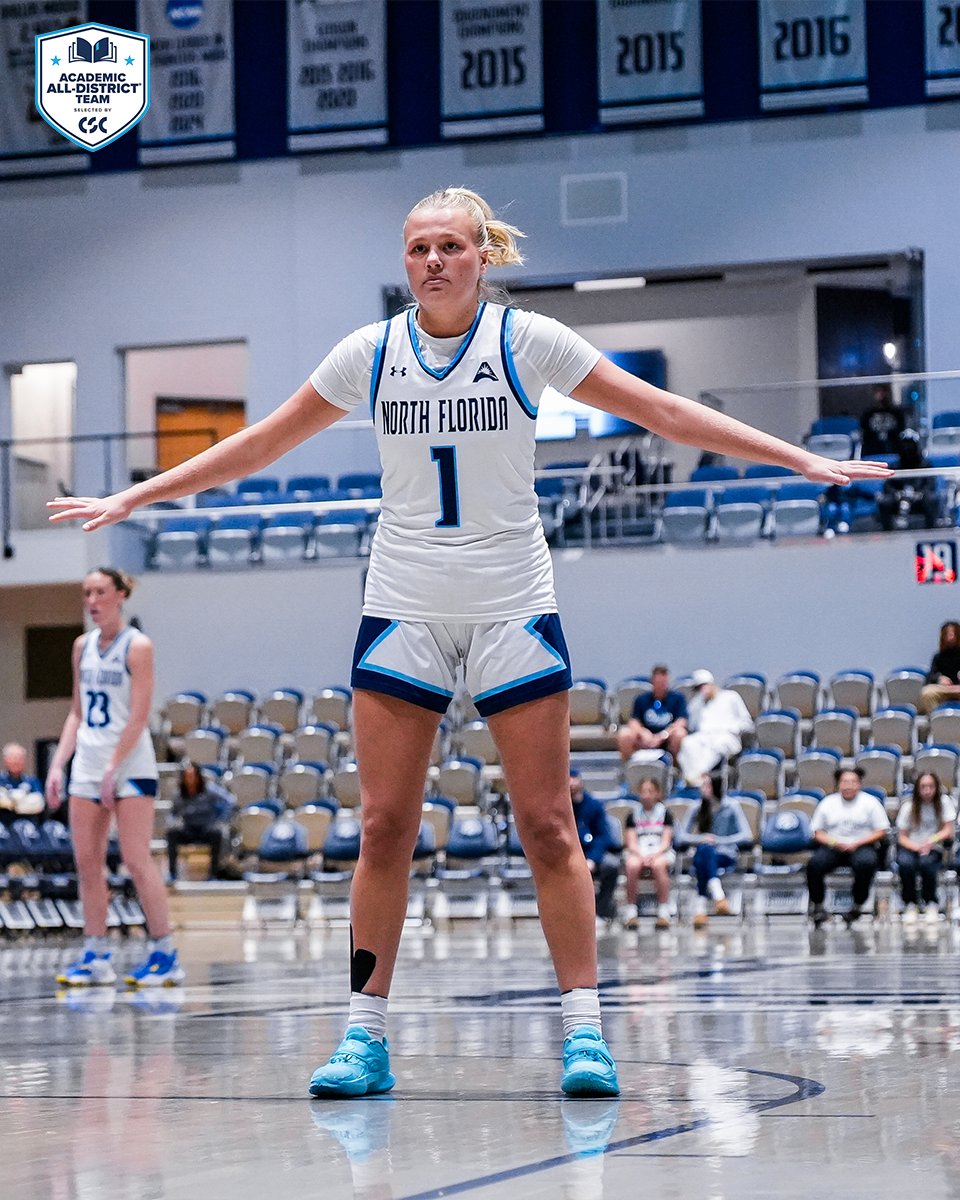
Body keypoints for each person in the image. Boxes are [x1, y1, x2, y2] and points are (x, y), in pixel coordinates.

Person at [48, 186, 889, 1098]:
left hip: (512, 601)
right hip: (403, 600)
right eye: (417, 249)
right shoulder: (368, 355)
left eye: (450, 246)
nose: (433, 262)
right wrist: (136, 496)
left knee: (547, 823)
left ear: (483, 255)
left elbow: (667, 414)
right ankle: (364, 1036)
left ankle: (584, 1033)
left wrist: (799, 458)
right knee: (382, 826)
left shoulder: (526, 340)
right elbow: (257, 447)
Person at [44, 568, 184, 988]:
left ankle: (165, 952)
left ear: (120, 596)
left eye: (100, 592)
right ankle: (95, 954)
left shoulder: (137, 646)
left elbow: (139, 716)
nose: (92, 600)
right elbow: (77, 711)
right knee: (87, 864)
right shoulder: (81, 646)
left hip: (130, 763)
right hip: (87, 762)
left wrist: (112, 768)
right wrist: (58, 763)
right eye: (87, 592)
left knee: (136, 860)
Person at [807, 766, 890, 928]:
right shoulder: (827, 802)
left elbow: (882, 831)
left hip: (862, 845)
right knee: (814, 864)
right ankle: (818, 906)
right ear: (838, 784)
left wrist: (857, 843)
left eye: (852, 782)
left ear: (859, 784)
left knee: (866, 863)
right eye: (845, 782)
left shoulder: (871, 803)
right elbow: (817, 832)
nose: (848, 785)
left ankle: (857, 905)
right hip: (833, 845)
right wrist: (835, 843)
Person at [680, 772, 753, 929]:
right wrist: (703, 838)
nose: (702, 789)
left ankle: (701, 909)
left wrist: (719, 840)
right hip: (705, 853)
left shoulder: (731, 806)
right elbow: (681, 837)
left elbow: (746, 835)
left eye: (706, 785)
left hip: (726, 853)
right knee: (704, 851)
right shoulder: (696, 807)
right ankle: (719, 897)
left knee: (703, 856)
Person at [896, 771, 955, 925]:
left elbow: (948, 830)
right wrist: (916, 847)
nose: (927, 790)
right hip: (911, 845)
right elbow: (901, 837)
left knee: (927, 864)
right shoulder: (908, 806)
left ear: (936, 788)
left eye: (930, 786)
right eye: (923, 787)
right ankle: (910, 903)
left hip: (934, 846)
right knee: (905, 864)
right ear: (917, 788)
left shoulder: (944, 802)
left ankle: (931, 902)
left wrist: (931, 841)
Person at [677, 670, 754, 786]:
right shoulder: (696, 704)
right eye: (698, 688)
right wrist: (697, 704)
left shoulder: (731, 697)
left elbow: (747, 722)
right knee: (688, 743)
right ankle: (696, 778)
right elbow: (692, 726)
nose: (701, 690)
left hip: (728, 737)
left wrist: (733, 728)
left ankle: (696, 776)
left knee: (719, 744)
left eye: (703, 686)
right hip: (704, 737)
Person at [166, 761, 235, 881]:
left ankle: (213, 874)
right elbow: (172, 814)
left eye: (192, 776)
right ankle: (172, 873)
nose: (190, 779)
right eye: (187, 777)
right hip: (188, 829)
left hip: (206, 828)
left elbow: (229, 800)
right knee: (172, 833)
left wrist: (221, 819)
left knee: (217, 834)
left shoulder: (209, 790)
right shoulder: (179, 795)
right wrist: (173, 822)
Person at [569, 769, 620, 930]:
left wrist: (592, 859)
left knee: (611, 865)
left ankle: (601, 911)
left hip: (591, 854)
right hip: (569, 855)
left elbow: (602, 836)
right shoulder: (559, 807)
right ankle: (570, 915)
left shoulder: (594, 806)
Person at [622, 777, 674, 930]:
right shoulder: (633, 815)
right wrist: (641, 856)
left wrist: (654, 855)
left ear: (658, 793)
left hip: (660, 852)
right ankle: (631, 910)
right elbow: (631, 842)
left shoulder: (665, 814)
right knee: (632, 865)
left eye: (650, 791)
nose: (646, 795)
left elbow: (666, 841)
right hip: (639, 852)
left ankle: (663, 910)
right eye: (643, 791)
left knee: (658, 865)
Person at [617, 665, 688, 762]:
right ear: (653, 682)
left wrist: (664, 735)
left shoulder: (677, 699)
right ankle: (629, 768)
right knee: (624, 734)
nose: (661, 686)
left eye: (664, 683)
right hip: (646, 738)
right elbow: (634, 721)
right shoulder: (642, 699)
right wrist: (643, 732)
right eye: (658, 682)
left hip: (666, 738)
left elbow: (681, 721)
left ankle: (676, 767)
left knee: (680, 733)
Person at [877, 428, 941, 532]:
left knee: (931, 499)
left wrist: (920, 494)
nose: (907, 448)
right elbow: (888, 486)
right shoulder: (894, 466)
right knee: (885, 502)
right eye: (905, 444)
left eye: (910, 444)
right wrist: (897, 494)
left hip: (919, 498)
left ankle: (931, 532)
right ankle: (887, 533)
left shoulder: (925, 465)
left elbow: (930, 484)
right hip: (898, 498)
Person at [919, 620, 960, 714]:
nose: (950, 637)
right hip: (945, 689)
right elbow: (930, 677)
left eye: (953, 634)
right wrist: (939, 678)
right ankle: (936, 719)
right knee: (927, 692)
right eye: (947, 634)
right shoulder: (938, 657)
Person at [0, 741, 44, 822]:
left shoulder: (32, 781)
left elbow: (38, 804)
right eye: (12, 757)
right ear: (5, 760)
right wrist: (23, 800)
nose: (16, 761)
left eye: (19, 758)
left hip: (27, 825)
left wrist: (11, 802)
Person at [860, 384, 906, 457]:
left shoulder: (896, 412)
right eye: (878, 391)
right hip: (873, 449)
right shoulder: (868, 414)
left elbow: (901, 430)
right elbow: (864, 433)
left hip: (893, 448)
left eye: (883, 391)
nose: (881, 394)